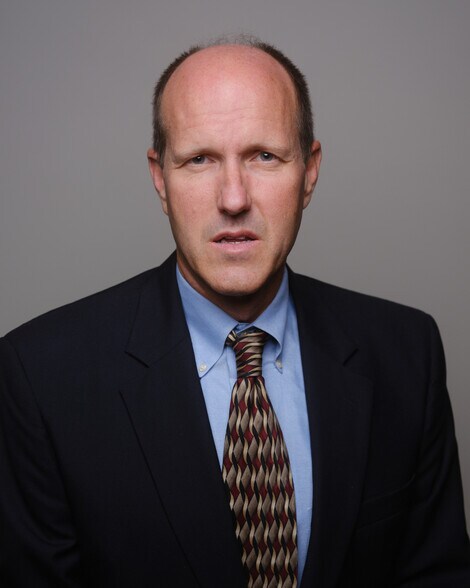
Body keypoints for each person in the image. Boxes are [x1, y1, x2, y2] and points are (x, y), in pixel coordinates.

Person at [0, 37, 469, 588]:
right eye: (199, 160)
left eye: (264, 156)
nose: (233, 198)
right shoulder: (42, 377)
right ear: (160, 178)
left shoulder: (407, 354)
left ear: (309, 171)